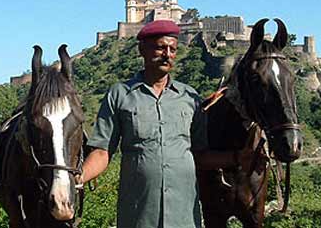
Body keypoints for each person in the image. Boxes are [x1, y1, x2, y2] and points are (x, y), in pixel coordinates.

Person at [78, 20, 251, 228]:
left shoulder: (190, 98)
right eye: (160, 47)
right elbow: (102, 152)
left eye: (172, 49)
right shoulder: (120, 94)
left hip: (184, 216)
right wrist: (76, 180)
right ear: (142, 50)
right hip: (138, 215)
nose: (167, 54)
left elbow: (200, 155)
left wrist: (236, 158)